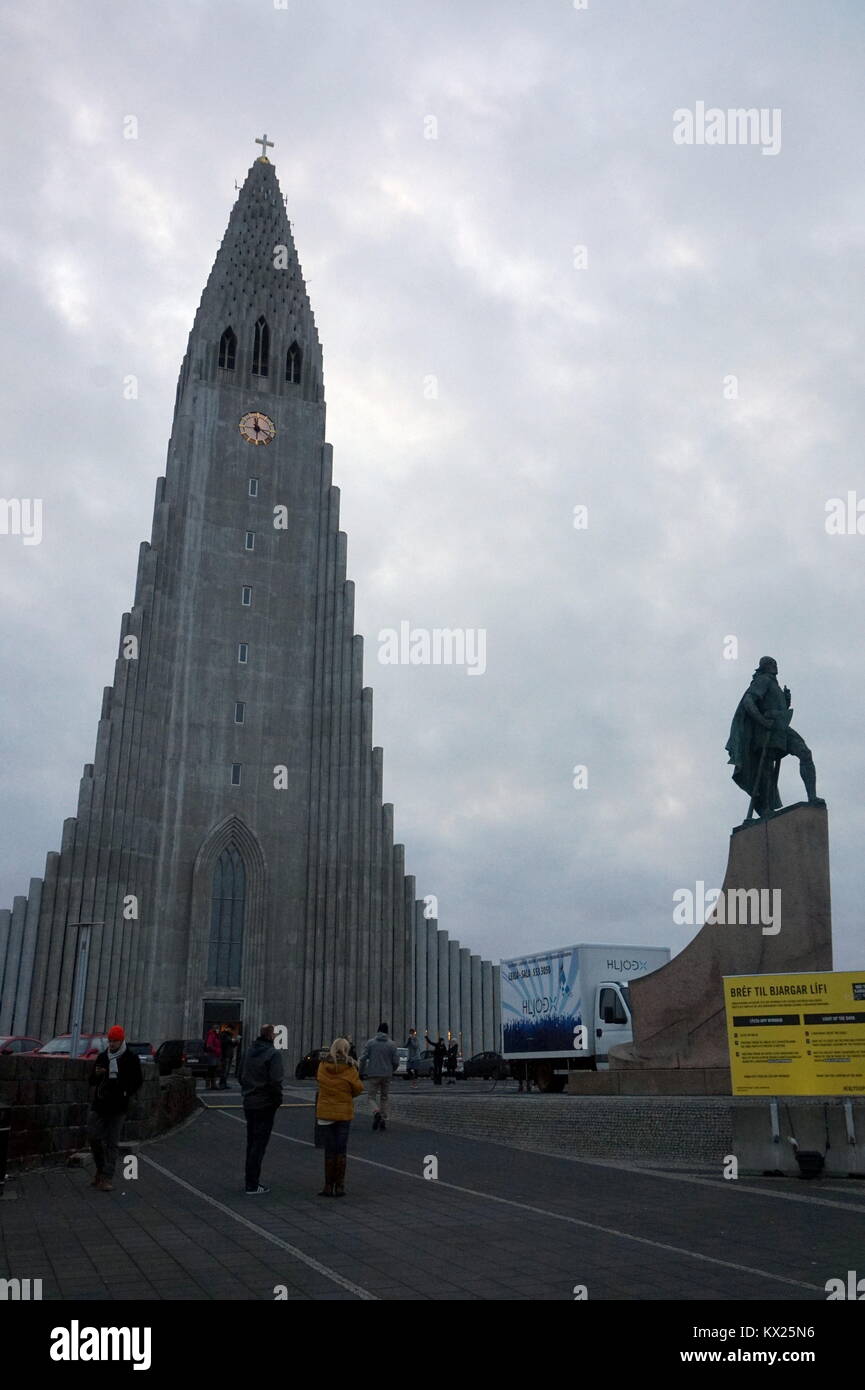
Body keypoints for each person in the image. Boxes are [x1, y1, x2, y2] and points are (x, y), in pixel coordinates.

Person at [726, 656, 823, 820]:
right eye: (771, 663)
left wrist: (785, 702)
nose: (775, 666)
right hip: (767, 728)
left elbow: (775, 705)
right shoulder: (763, 680)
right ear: (764, 667)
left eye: (775, 663)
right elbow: (748, 702)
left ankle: (812, 797)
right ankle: (765, 808)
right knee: (765, 768)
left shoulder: (774, 684)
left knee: (805, 753)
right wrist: (762, 720)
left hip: (781, 726)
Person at [88, 1025, 143, 1192]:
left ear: (121, 1040)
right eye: (110, 1041)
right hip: (101, 1103)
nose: (111, 1044)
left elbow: (137, 1081)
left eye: (115, 1041)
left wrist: (124, 1090)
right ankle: (100, 1168)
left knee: (112, 1142)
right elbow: (91, 1080)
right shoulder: (103, 1057)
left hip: (118, 1105)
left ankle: (106, 1177)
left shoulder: (130, 1058)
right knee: (93, 1137)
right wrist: (97, 1075)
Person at [315, 1037, 364, 1196]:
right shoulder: (350, 1068)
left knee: (329, 1150)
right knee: (341, 1149)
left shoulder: (323, 1066)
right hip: (343, 1112)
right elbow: (357, 1089)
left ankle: (328, 1186)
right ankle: (340, 1186)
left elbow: (319, 1081)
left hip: (326, 1112)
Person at [239, 1023, 283, 1194]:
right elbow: (275, 1081)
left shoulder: (248, 1051)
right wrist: (277, 1100)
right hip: (265, 1104)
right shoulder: (273, 1054)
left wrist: (248, 1090)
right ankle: (252, 1184)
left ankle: (250, 1181)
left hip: (249, 1102)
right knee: (259, 1144)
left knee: (251, 1142)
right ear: (271, 1035)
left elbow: (239, 1074)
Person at [359, 1022, 399, 1131]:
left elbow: (362, 1059)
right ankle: (383, 1120)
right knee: (384, 1097)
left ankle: (376, 1112)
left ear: (378, 1030)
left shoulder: (371, 1043)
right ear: (387, 1031)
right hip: (387, 1074)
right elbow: (396, 1061)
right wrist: (392, 1070)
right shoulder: (392, 1044)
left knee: (371, 1097)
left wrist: (360, 1072)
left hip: (373, 1074)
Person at [204, 1024, 221, 1090]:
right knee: (211, 1069)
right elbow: (209, 1045)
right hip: (212, 1055)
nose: (218, 1030)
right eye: (217, 1028)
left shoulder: (217, 1036)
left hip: (216, 1055)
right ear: (214, 1029)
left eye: (218, 1029)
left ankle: (213, 1085)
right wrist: (216, 1050)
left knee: (214, 1070)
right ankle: (208, 1085)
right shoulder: (211, 1035)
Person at [218, 1025, 235, 1090]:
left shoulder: (229, 1035)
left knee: (226, 1071)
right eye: (230, 1029)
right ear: (227, 1028)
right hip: (225, 1055)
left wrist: (236, 1042)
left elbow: (231, 1045)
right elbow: (223, 1043)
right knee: (224, 1071)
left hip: (229, 1055)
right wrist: (231, 1041)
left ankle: (224, 1084)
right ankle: (222, 1084)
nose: (231, 1031)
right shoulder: (224, 1035)